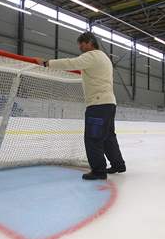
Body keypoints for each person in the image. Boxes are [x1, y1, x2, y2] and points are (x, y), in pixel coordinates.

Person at [35, 32, 126, 180]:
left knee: (93, 138)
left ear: (90, 42)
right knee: (109, 136)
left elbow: (71, 63)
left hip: (98, 104)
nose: (80, 47)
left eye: (82, 43)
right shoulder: (104, 58)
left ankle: (98, 171)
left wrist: (47, 63)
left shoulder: (92, 56)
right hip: (109, 103)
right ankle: (118, 164)